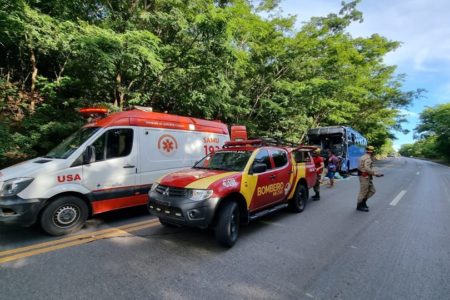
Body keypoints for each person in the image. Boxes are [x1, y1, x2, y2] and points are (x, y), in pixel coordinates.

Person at [356, 145, 383, 212]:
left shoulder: (363, 156)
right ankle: (359, 206)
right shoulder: (367, 158)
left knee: (372, 191)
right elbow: (367, 168)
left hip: (366, 177)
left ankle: (363, 202)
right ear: (372, 151)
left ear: (366, 150)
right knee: (363, 192)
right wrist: (375, 174)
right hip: (364, 177)